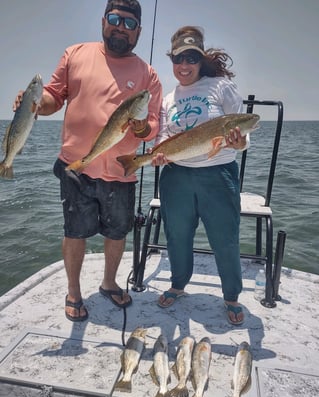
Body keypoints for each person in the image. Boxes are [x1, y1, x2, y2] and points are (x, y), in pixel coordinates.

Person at [13, 0, 162, 322]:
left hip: (121, 169)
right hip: (75, 165)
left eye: (129, 23)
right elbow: (54, 96)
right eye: (115, 19)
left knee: (118, 232)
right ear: (104, 20)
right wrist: (36, 103)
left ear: (139, 31)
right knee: (75, 232)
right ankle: (74, 291)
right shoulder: (75, 53)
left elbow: (152, 126)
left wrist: (142, 128)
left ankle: (109, 283)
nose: (121, 27)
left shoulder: (148, 75)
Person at [152, 26, 247, 325]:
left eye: (191, 58)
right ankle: (178, 285)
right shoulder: (168, 99)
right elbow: (163, 138)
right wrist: (156, 154)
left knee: (225, 239)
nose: (184, 65)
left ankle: (231, 296)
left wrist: (240, 142)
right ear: (172, 61)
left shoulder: (220, 87)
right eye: (179, 59)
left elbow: (243, 132)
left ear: (201, 60)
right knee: (177, 236)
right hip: (176, 176)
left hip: (218, 175)